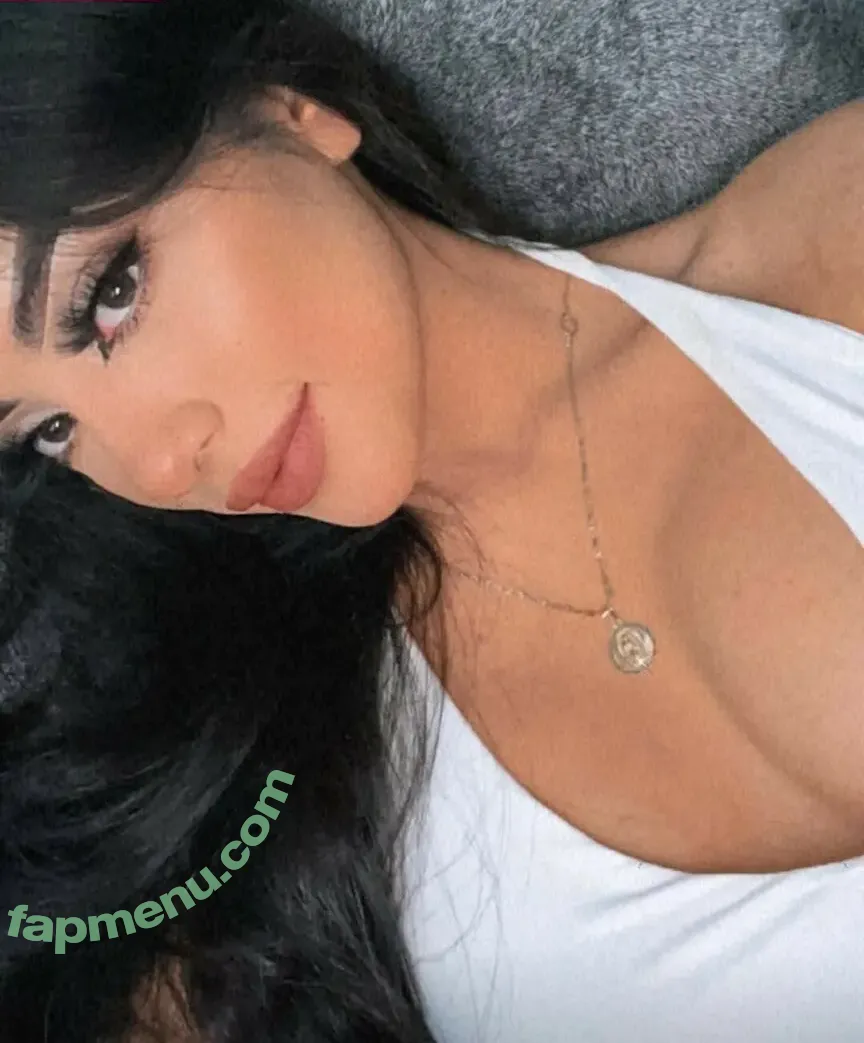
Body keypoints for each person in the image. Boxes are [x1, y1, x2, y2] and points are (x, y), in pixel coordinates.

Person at [0, 2, 861, 1042]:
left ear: (296, 112)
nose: (156, 461)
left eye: (114, 293)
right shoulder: (279, 798)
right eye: (50, 432)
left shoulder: (828, 251)